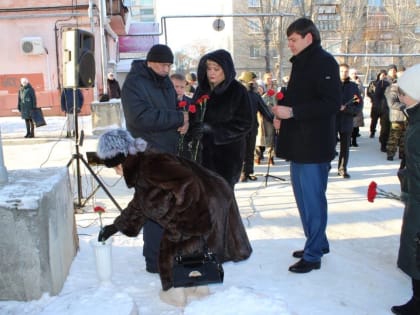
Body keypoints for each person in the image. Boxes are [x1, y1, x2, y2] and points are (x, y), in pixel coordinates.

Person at [95, 128, 252, 307]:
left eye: (115, 167)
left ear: (122, 160)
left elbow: (188, 182)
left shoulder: (152, 165)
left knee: (169, 251)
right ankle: (198, 288)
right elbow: (140, 204)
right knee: (190, 246)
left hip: (204, 205)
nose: (116, 172)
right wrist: (115, 227)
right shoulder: (144, 166)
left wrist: (189, 219)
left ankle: (174, 294)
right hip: (203, 204)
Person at [271, 17, 341, 273]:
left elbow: (332, 103)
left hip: (313, 145)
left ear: (308, 38)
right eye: (288, 39)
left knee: (312, 201)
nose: (289, 44)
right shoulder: (302, 63)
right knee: (303, 199)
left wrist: (294, 112)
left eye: (293, 39)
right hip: (299, 143)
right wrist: (282, 113)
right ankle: (317, 242)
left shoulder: (323, 62)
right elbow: (301, 98)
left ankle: (313, 255)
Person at [121, 44, 189, 275]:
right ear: (150, 62)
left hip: (167, 154)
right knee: (154, 207)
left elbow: (172, 110)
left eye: (169, 65)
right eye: (162, 64)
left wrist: (183, 121)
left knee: (167, 206)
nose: (166, 68)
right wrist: (177, 118)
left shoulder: (164, 82)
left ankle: (165, 254)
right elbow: (140, 118)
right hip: (147, 155)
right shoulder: (134, 83)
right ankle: (154, 260)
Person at [187, 49, 253, 188]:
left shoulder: (237, 90)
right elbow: (193, 114)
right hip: (201, 154)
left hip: (227, 156)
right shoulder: (201, 90)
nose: (211, 72)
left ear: (226, 70)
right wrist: (194, 128)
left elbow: (245, 123)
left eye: (216, 69)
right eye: (209, 68)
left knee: (223, 199)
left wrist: (213, 129)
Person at [390, 63, 420, 315]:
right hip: (415, 195)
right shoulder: (415, 117)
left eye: (404, 92)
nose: (400, 96)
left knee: (416, 248)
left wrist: (409, 185)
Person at [238, 71, 274, 182]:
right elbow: (265, 111)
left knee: (242, 151)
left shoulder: (237, 94)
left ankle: (243, 173)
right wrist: (274, 120)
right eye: (253, 80)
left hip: (238, 128)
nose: (255, 82)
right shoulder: (254, 95)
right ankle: (247, 172)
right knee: (249, 151)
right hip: (251, 127)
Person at [336, 63, 363, 179]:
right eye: (341, 71)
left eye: (346, 71)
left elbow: (358, 104)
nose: (344, 73)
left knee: (345, 147)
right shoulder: (331, 84)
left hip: (346, 120)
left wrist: (347, 109)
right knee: (329, 145)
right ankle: (325, 166)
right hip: (332, 120)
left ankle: (342, 168)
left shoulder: (353, 86)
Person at [385, 67, 407, 164]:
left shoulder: (409, 87)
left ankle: (402, 154)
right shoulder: (393, 87)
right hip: (396, 117)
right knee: (394, 136)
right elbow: (392, 103)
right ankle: (390, 153)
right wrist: (407, 106)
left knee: (404, 137)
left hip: (407, 117)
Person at [255, 72, 277, 164]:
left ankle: (270, 157)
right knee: (259, 137)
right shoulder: (260, 87)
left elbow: (277, 100)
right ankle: (258, 156)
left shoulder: (274, 89)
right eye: (268, 78)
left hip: (271, 115)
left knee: (271, 137)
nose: (270, 80)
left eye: (271, 78)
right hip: (260, 116)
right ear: (264, 79)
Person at [367, 69, 390, 151]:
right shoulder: (373, 83)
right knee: (374, 120)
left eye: (384, 75)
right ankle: (372, 131)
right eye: (381, 75)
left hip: (385, 107)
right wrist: (373, 98)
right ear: (379, 75)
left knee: (384, 126)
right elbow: (369, 92)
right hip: (376, 105)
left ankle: (383, 142)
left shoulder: (388, 84)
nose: (383, 76)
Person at [349, 67, 365, 147]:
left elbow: (362, 93)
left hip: (357, 105)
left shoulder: (359, 82)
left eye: (355, 73)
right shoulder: (347, 82)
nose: (354, 75)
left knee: (356, 125)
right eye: (352, 73)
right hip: (349, 105)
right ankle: (348, 141)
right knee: (349, 125)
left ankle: (354, 140)